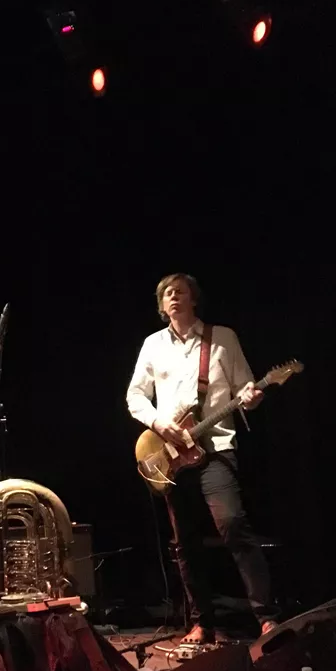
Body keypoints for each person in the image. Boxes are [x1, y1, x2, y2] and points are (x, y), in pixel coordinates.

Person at [126, 272, 276, 646]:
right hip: (173, 453)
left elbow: (245, 387)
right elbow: (135, 396)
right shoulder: (152, 345)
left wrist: (252, 396)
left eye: (181, 291)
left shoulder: (222, 337)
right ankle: (201, 621)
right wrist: (160, 423)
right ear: (162, 306)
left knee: (233, 524)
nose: (174, 296)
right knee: (185, 542)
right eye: (167, 293)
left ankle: (266, 616)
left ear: (194, 299)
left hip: (217, 448)